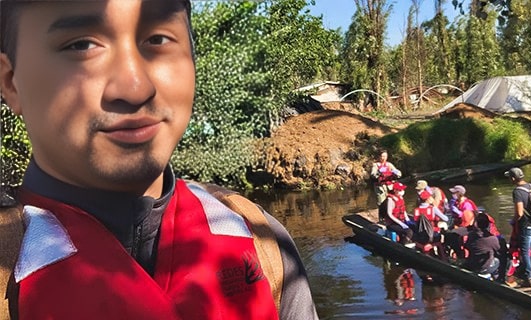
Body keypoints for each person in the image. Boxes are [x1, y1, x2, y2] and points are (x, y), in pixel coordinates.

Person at [0, 1, 318, 319]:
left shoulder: (259, 237)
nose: (136, 88)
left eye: (158, 39)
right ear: (10, 83)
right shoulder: (9, 269)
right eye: (82, 45)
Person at [464, 212, 502, 280]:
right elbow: (500, 251)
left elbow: (467, 246)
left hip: (472, 264)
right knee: (498, 260)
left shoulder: (471, 235)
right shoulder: (492, 239)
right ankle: (499, 278)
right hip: (484, 268)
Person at [381, 182, 414, 247]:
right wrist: (400, 223)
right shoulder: (390, 200)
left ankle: (414, 242)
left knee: (414, 227)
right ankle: (402, 245)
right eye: (400, 190)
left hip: (401, 221)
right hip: (392, 224)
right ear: (395, 190)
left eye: (402, 190)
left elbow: (403, 209)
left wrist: (407, 219)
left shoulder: (401, 198)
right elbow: (389, 214)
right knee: (409, 232)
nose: (402, 191)